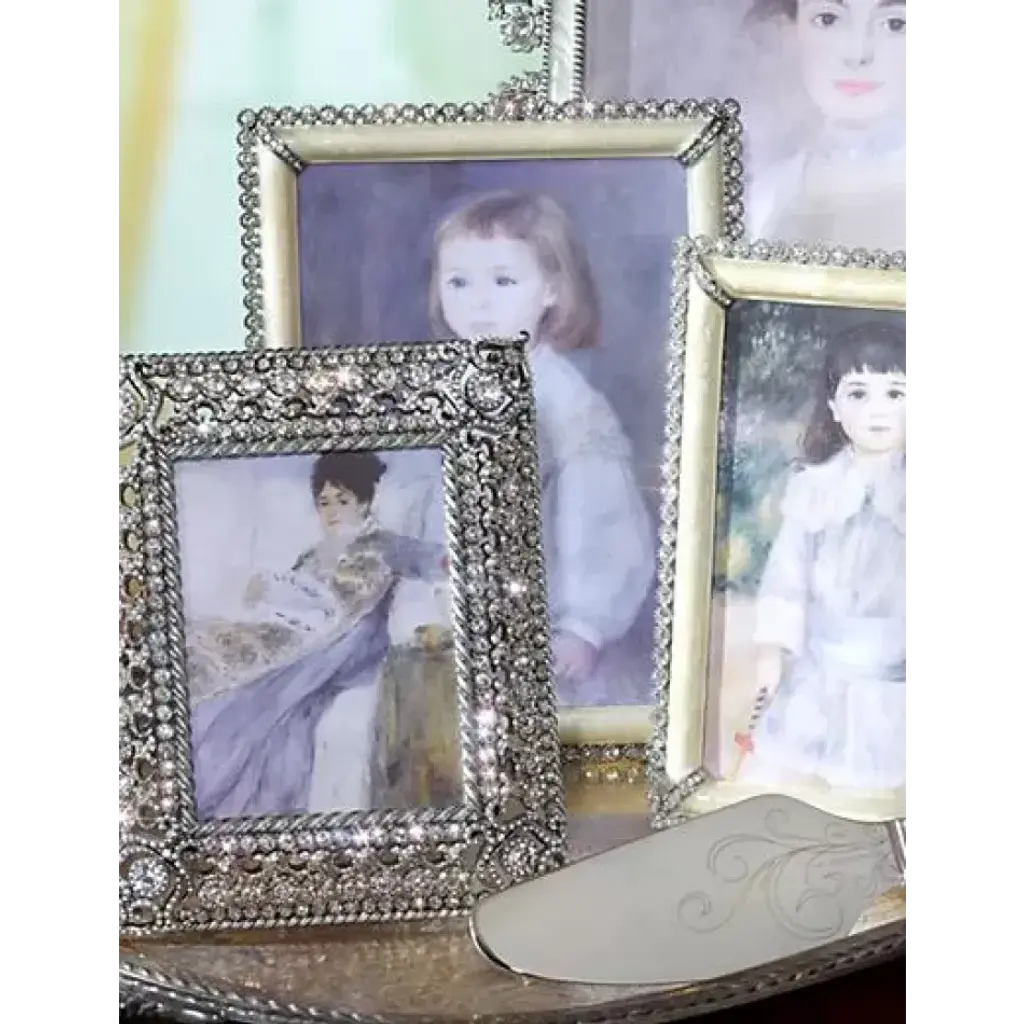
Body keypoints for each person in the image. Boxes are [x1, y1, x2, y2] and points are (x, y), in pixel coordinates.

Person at [428, 189, 656, 706]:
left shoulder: (568, 402)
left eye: (503, 281)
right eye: (458, 282)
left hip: (546, 619)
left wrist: (584, 623)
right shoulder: (447, 385)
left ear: (551, 289)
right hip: (468, 606)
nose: (478, 302)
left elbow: (605, 519)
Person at [186, 450, 449, 819]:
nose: (332, 511)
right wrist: (264, 592)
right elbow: (294, 599)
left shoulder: (384, 544)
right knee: (207, 640)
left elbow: (442, 560)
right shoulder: (312, 555)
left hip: (347, 644)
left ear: (364, 502)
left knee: (258, 696)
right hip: (304, 636)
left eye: (343, 500)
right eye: (324, 503)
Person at [736, 321, 911, 792]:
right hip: (819, 676)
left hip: (894, 682)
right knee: (786, 784)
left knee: (879, 792)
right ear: (833, 405)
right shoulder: (814, 490)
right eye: (859, 394)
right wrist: (772, 653)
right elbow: (785, 577)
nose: (877, 410)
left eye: (895, 393)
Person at [744, 0, 912, 251]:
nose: (858, 54)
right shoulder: (760, 197)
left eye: (895, 24)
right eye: (828, 20)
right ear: (793, 28)